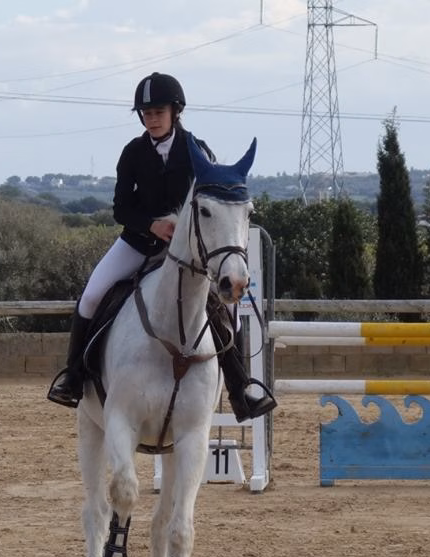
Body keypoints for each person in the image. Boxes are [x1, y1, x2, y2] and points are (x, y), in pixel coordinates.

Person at [46, 72, 276, 421]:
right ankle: (74, 377)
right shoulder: (133, 153)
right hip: (139, 244)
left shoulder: (197, 151)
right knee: (92, 296)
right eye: (146, 113)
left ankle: (240, 387)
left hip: (190, 255)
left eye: (158, 112)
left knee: (227, 311)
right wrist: (151, 224)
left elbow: (211, 201)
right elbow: (121, 207)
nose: (151, 119)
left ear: (175, 111)